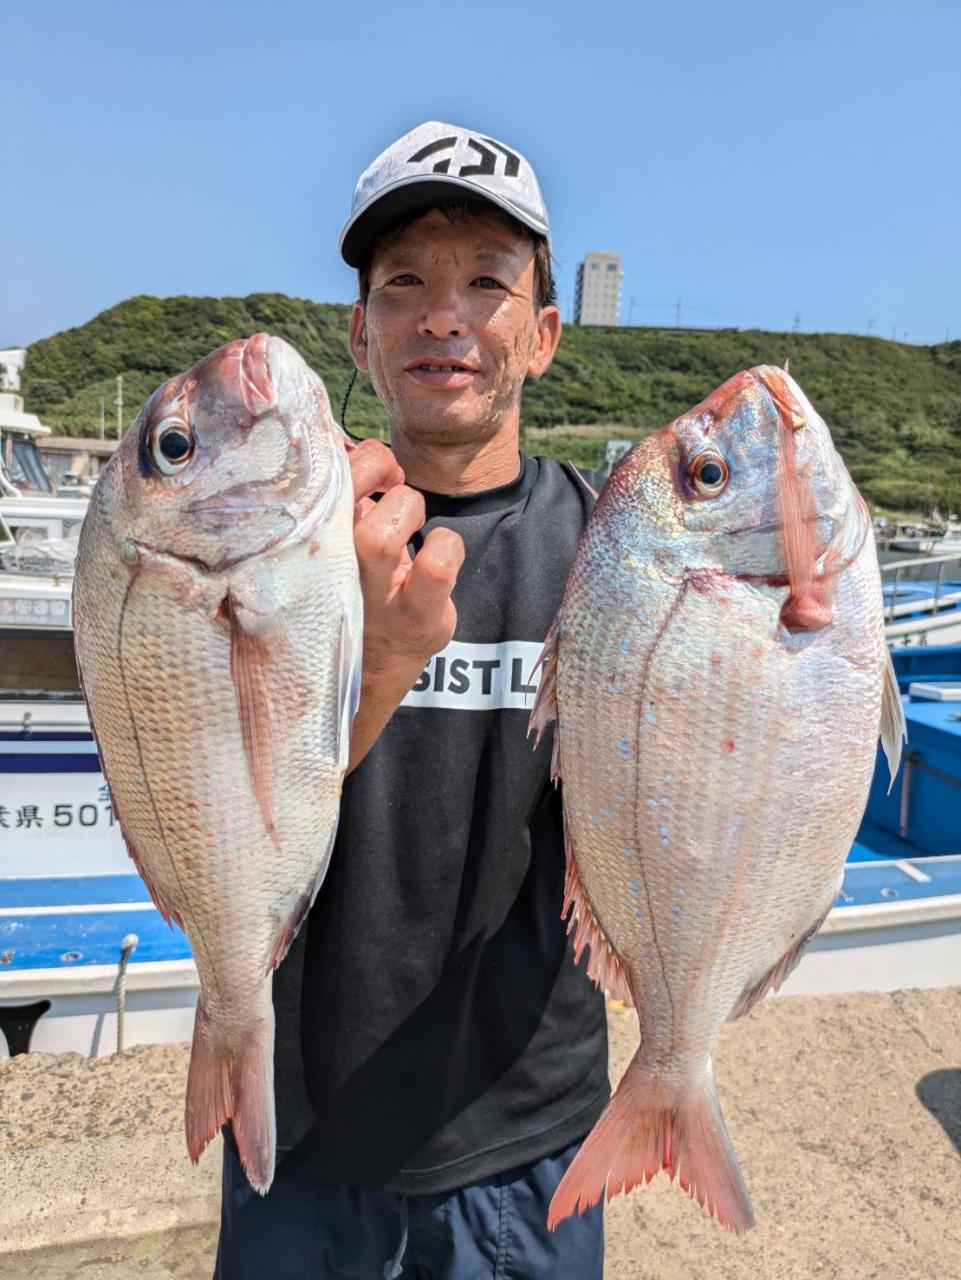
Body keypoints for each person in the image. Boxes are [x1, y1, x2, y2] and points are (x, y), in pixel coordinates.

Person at [214, 121, 609, 1279]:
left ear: (542, 334)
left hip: (528, 1124)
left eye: (487, 281)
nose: (443, 314)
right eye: (403, 284)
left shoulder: (613, 552)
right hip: (302, 1118)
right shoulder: (280, 537)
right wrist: (378, 666)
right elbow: (217, 807)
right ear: (360, 332)